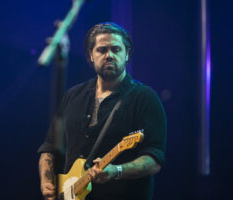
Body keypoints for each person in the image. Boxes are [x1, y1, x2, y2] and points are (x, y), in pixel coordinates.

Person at [38, 22, 167, 200]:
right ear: (91, 55)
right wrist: (46, 182)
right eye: (102, 50)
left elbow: (154, 159)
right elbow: (49, 148)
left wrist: (117, 170)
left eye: (116, 49)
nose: (109, 55)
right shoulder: (73, 95)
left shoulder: (144, 97)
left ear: (127, 54)